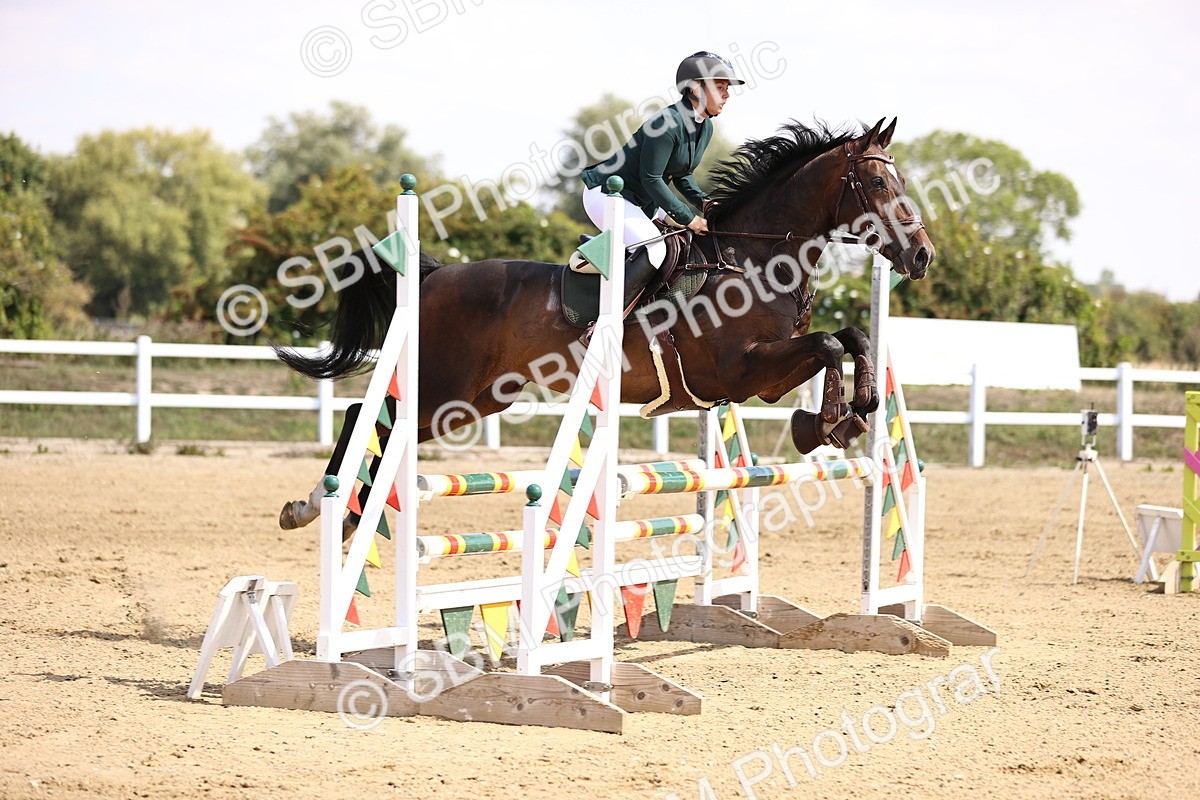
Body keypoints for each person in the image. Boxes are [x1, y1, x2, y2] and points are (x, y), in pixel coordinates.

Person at [576, 51, 744, 307]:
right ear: (695, 90)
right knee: (654, 251)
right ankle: (604, 320)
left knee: (681, 247)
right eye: (720, 87)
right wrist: (688, 218)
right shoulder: (667, 123)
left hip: (642, 202)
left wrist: (706, 204)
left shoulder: (704, 126)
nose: (727, 95)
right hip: (608, 195)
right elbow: (652, 178)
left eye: (726, 88)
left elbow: (682, 175)